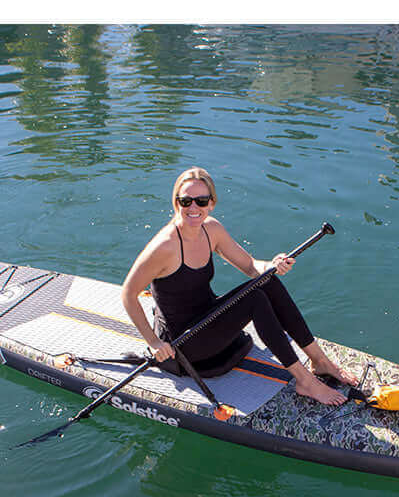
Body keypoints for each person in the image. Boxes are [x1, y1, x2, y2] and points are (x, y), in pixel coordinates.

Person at [121, 166, 356, 406]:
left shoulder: (211, 229)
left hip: (207, 317)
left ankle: (319, 362)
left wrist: (273, 265)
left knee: (268, 281)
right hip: (183, 343)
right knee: (254, 300)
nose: (193, 208)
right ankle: (304, 380)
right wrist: (154, 343)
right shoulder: (164, 246)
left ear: (211, 203)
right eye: (186, 201)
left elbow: (252, 266)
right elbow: (128, 294)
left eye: (201, 201)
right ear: (176, 203)